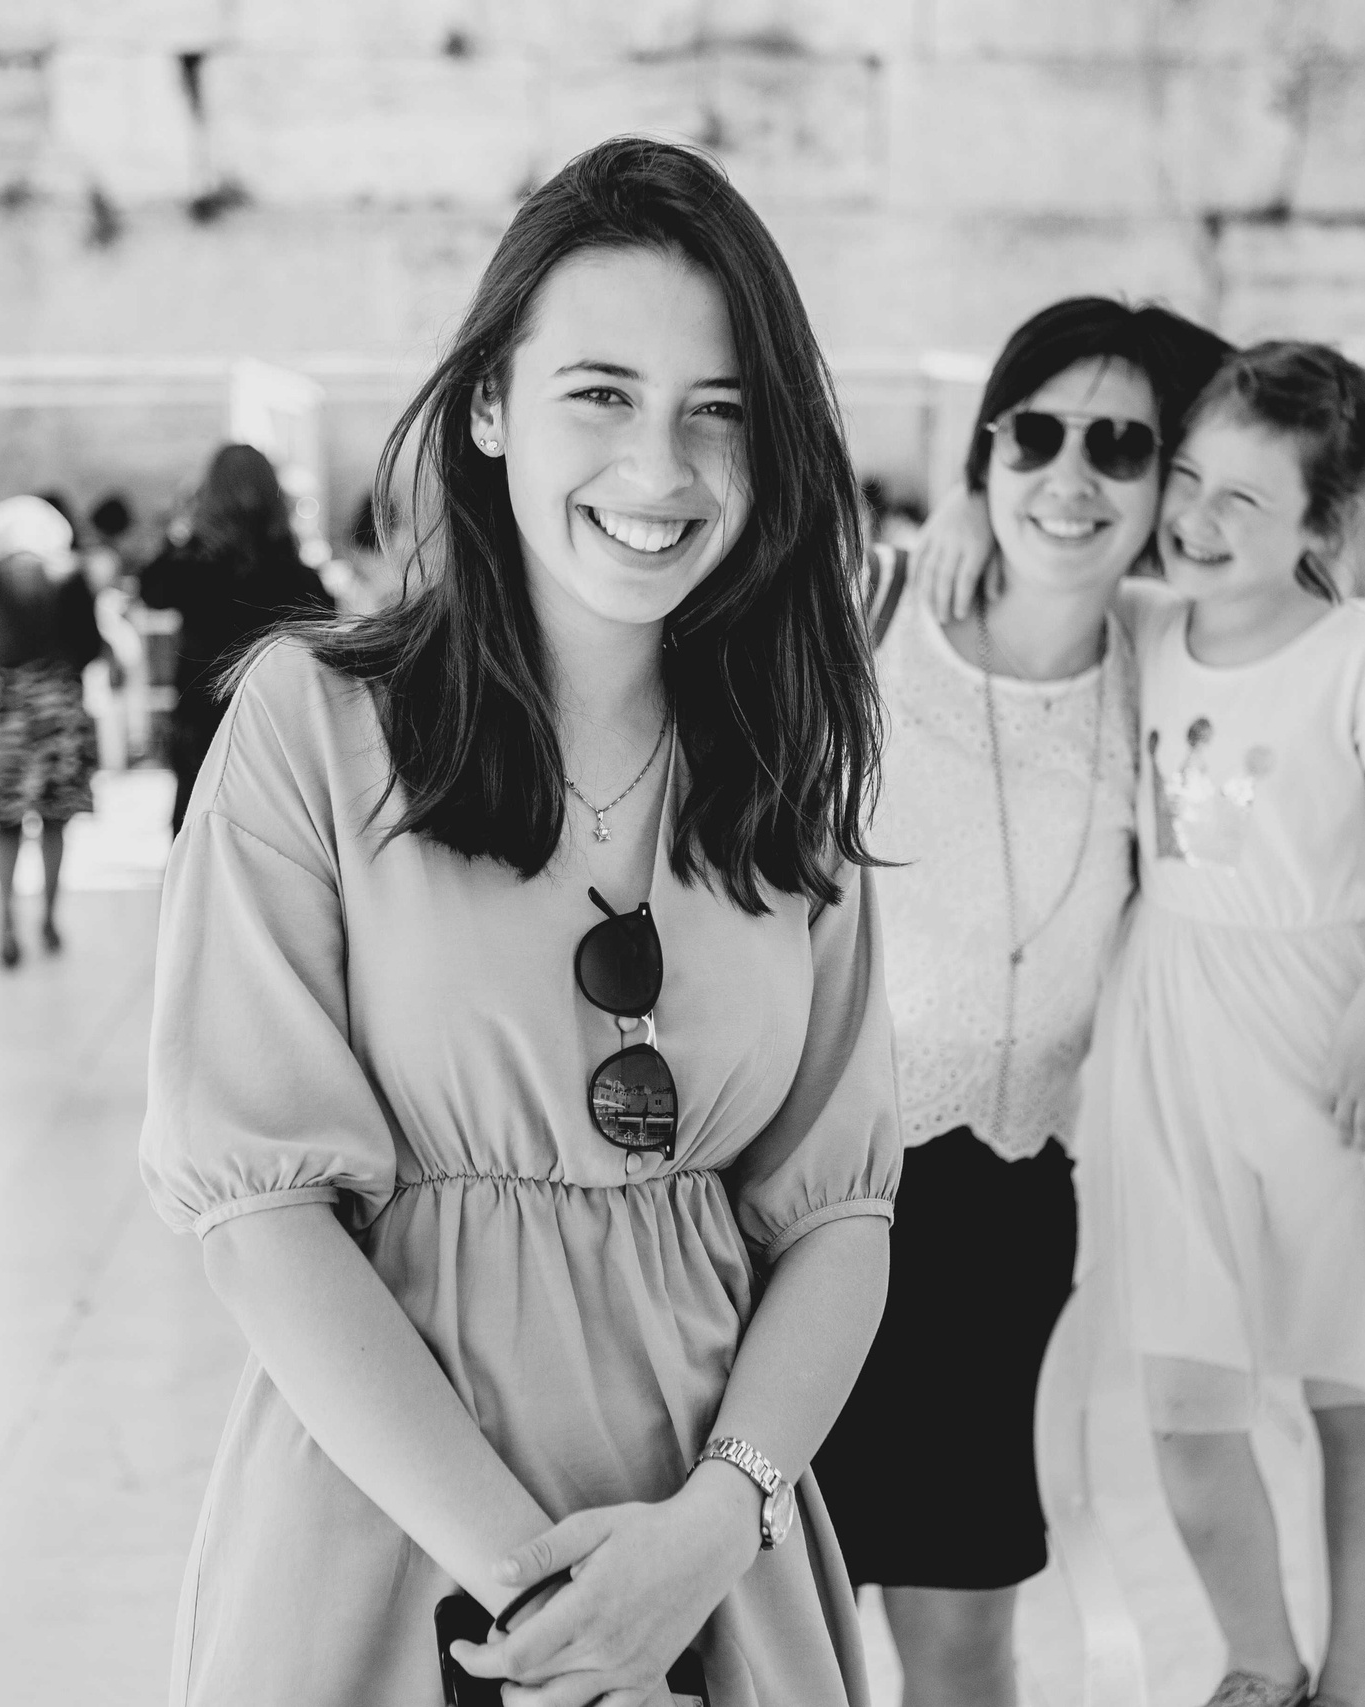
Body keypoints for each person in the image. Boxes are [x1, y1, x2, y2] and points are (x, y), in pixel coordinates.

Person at [137, 136, 901, 1707]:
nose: (660, 470)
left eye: (721, 412)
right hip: (392, 1542)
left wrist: (708, 1527)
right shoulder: (318, 722)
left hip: (707, 1553)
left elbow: (837, 1212)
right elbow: (260, 1213)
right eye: (602, 394)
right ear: (490, 406)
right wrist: (557, 1613)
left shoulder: (793, 760)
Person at [872, 306, 1365, 1707]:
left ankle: (1330, 1676)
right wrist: (972, 492)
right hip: (808, 1188)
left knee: (958, 1630)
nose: (1079, 476)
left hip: (1022, 1189)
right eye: (1034, 434)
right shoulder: (884, 605)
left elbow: (1358, 845)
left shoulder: (1168, 636)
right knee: (760, 1612)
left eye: (1129, 449)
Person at [1091, 344, 1365, 1707]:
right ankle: (1258, 1660)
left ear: (1324, 529)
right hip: (1172, 1041)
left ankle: (1356, 1681)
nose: (1198, 519)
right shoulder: (1148, 627)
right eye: (1193, 481)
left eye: (1246, 503)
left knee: (1358, 1388)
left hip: (1315, 1033)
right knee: (1187, 1400)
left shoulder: (1358, 657)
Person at [138, 444, 333, 838]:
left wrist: (181, 523)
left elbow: (152, 589)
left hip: (202, 713)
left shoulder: (191, 564)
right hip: (274, 719)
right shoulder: (293, 572)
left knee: (198, 829)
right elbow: (325, 628)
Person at [0, 496, 101, 968]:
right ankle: (50, 917)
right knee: (57, 818)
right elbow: (89, 647)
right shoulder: (72, 577)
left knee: (6, 822)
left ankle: (4, 919)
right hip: (59, 705)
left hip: (2, 709)